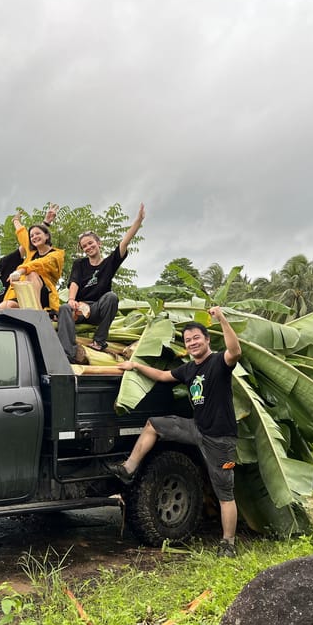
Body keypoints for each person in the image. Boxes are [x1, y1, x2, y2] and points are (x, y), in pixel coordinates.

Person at [113, 306, 242, 557]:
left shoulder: (219, 362)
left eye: (196, 338)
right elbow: (162, 376)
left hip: (219, 438)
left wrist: (223, 320)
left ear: (206, 340)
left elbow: (235, 351)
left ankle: (229, 543)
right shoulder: (189, 369)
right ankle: (128, 469)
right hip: (196, 429)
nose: (192, 343)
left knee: (224, 493)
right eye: (188, 340)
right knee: (154, 425)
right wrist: (135, 366)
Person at [57, 203, 145, 363]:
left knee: (111, 297)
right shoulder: (80, 264)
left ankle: (99, 341)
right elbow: (74, 282)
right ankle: (69, 353)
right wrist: (71, 301)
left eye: (91, 243)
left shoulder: (109, 262)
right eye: (84, 246)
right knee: (63, 308)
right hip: (80, 310)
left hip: (98, 308)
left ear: (99, 243)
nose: (88, 247)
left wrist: (138, 221)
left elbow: (124, 242)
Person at [0, 213, 64, 312]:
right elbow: (22, 234)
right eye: (32, 236)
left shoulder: (56, 255)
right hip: (25, 294)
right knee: (3, 307)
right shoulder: (31, 252)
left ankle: (38, 312)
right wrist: (16, 220)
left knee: (32, 273)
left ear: (46, 236)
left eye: (37, 234)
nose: (34, 237)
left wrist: (20, 271)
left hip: (44, 294)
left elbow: (40, 263)